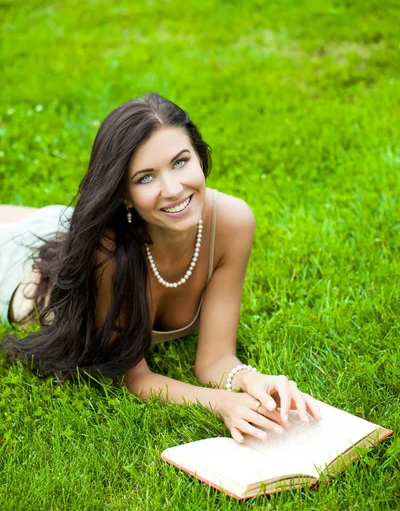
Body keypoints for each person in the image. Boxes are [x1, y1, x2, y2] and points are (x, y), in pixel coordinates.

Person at [0, 92, 321, 443]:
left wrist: (250, 380)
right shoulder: (107, 252)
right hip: (23, 271)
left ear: (199, 156)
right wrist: (222, 403)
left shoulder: (233, 222)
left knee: (49, 221)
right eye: (145, 178)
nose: (173, 189)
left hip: (69, 229)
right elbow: (132, 376)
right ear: (124, 194)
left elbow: (214, 360)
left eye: (180, 162)